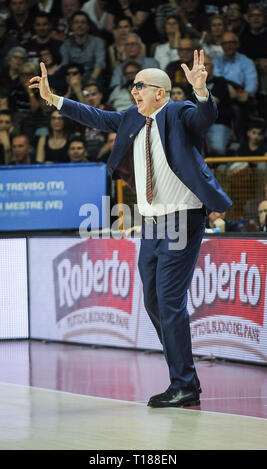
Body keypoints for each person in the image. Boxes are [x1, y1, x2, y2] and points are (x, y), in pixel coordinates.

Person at [30, 50, 232, 408]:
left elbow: (204, 117)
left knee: (169, 300)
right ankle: (183, 376)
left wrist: (201, 91)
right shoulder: (131, 119)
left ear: (161, 92)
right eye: (133, 85)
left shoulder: (176, 111)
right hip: (151, 224)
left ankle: (184, 384)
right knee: (154, 301)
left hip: (183, 218)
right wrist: (52, 98)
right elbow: (93, 114)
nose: (134, 91)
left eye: (140, 86)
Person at [59, 10, 106, 82]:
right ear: (72, 26)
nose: (79, 25)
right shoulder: (65, 45)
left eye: (83, 22)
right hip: (73, 79)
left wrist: (91, 80)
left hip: (94, 79)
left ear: (88, 26)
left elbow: (99, 63)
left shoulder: (97, 42)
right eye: (76, 22)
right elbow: (64, 66)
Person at [203, 55, 233, 156]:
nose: (202, 67)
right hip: (197, 124)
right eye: (200, 65)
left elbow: (212, 101)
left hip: (218, 122)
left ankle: (220, 170)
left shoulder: (221, 82)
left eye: (206, 64)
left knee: (217, 149)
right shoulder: (191, 85)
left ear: (212, 67)